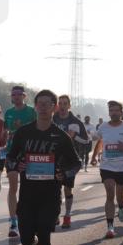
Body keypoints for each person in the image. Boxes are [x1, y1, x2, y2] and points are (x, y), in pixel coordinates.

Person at [7, 90, 81, 245]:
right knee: (25, 237)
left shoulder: (61, 136)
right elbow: (11, 158)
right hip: (28, 195)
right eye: (39, 103)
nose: (43, 107)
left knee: (45, 233)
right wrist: (18, 165)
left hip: (50, 195)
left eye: (48, 104)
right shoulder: (24, 133)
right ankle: (30, 243)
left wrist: (62, 174)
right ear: (35, 106)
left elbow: (76, 163)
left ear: (54, 107)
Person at [92, 100, 123, 239]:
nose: (113, 113)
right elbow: (98, 140)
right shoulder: (103, 127)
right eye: (111, 110)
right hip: (107, 166)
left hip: (122, 168)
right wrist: (94, 156)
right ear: (109, 113)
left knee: (120, 198)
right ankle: (110, 227)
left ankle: (121, 205)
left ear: (121, 112)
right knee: (109, 194)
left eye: (116, 110)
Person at [4, 86, 37, 238]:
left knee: (28, 188)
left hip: (28, 153)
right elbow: (6, 131)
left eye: (19, 95)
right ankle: (13, 222)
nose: (16, 97)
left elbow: (38, 129)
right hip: (12, 152)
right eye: (13, 95)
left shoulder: (31, 111)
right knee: (13, 186)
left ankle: (29, 218)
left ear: (24, 96)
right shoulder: (8, 113)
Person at [51, 95, 87, 229]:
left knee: (67, 188)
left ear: (69, 106)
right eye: (60, 103)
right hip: (54, 159)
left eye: (65, 103)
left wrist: (75, 136)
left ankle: (67, 215)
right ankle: (55, 215)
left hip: (70, 160)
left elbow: (87, 141)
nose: (62, 106)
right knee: (55, 189)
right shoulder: (52, 119)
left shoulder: (76, 122)